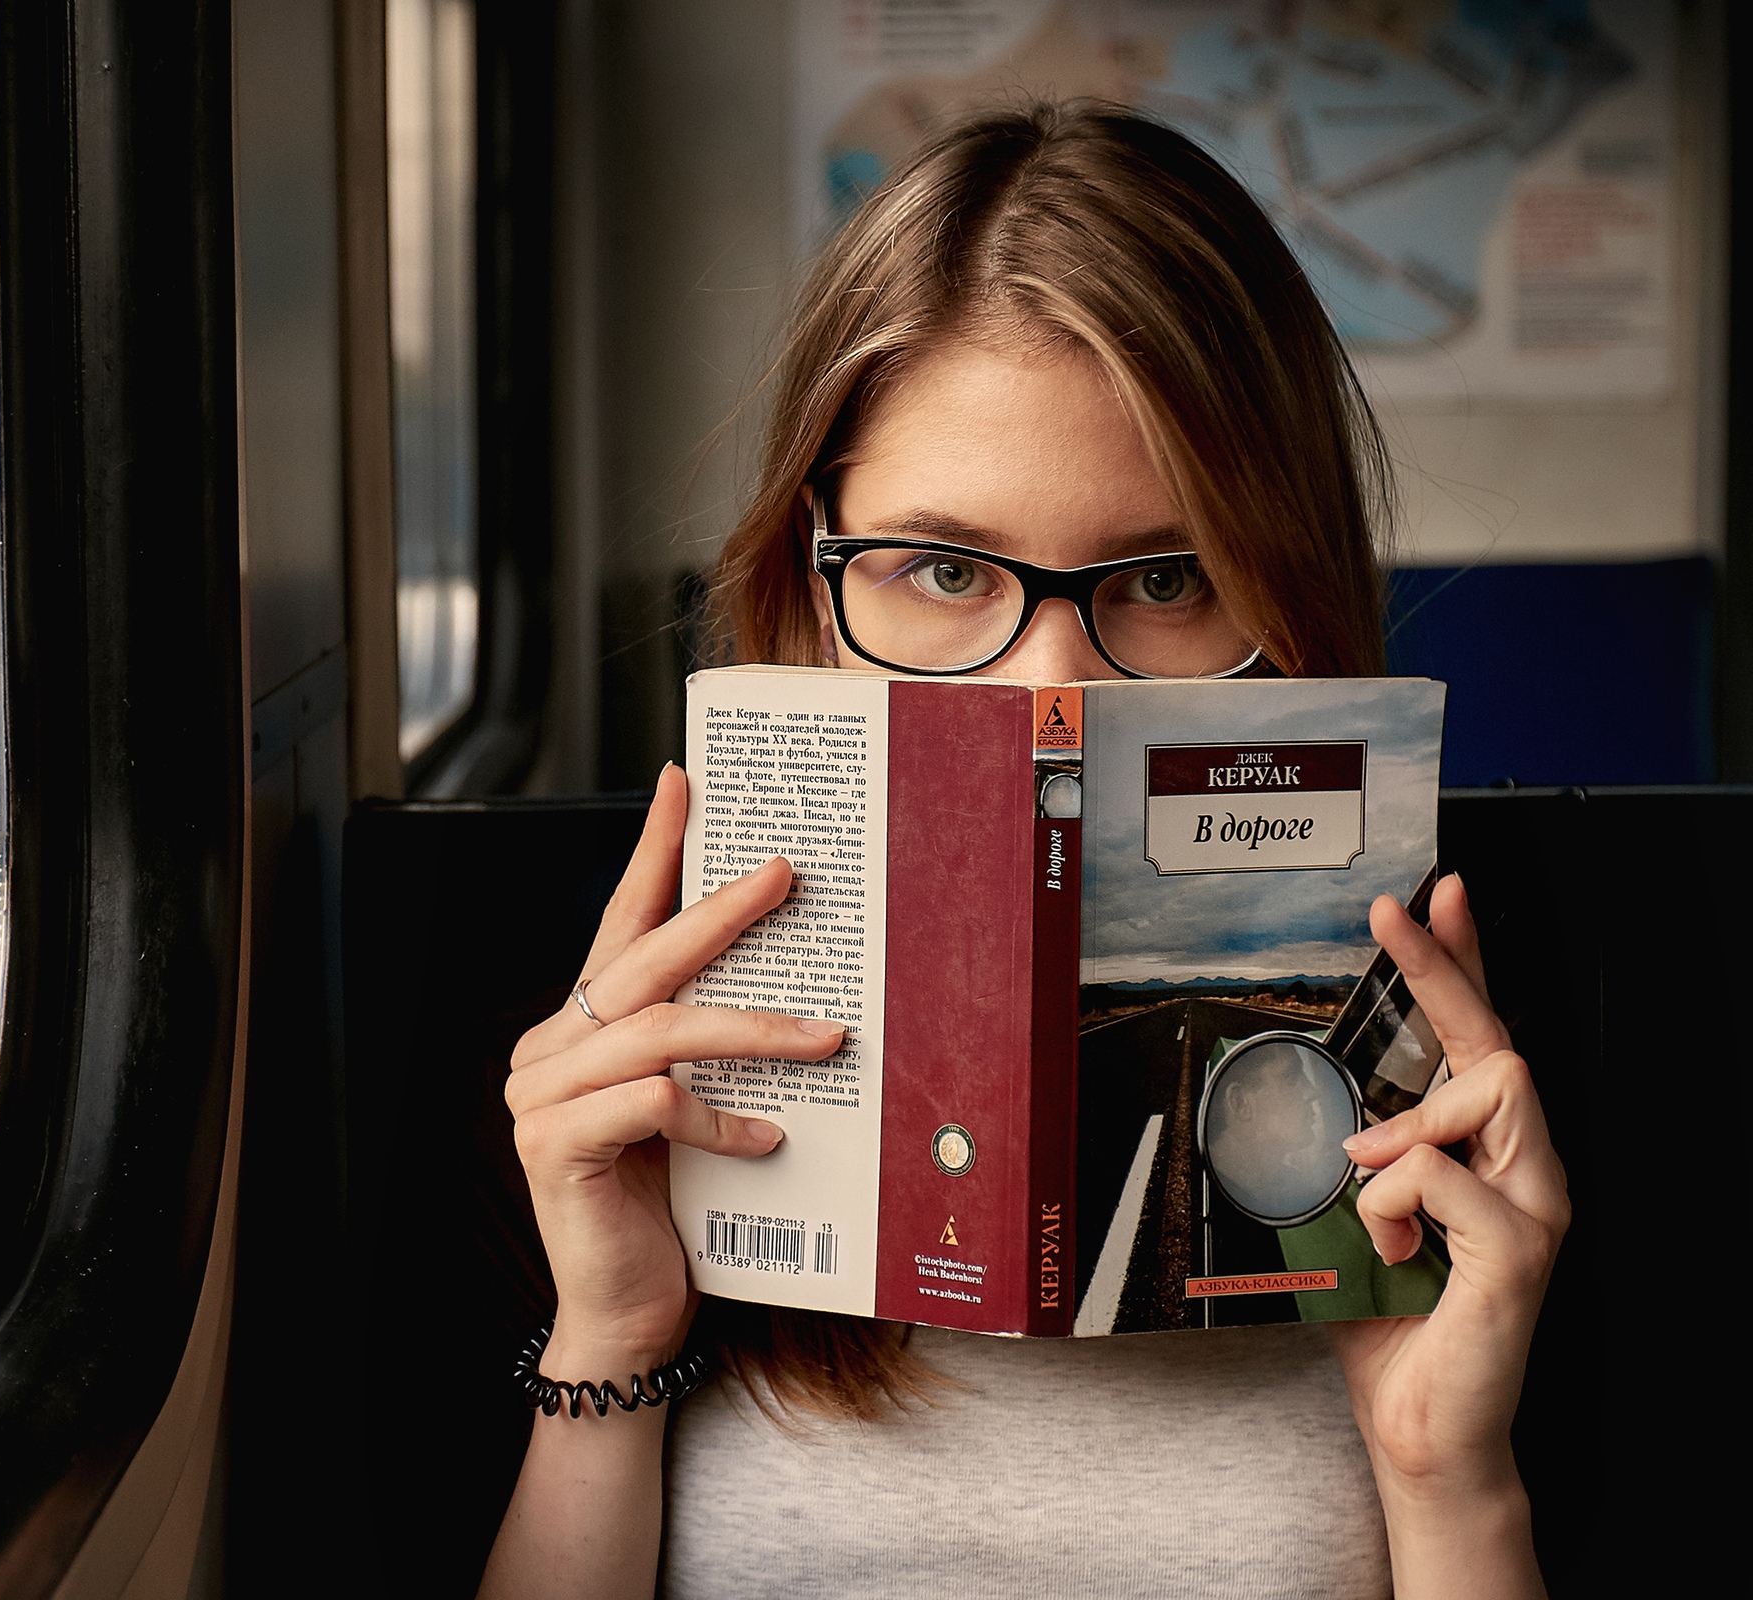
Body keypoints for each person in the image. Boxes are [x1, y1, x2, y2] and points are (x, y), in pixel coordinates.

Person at [483, 101, 1571, 1599]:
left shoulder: (1429, 1167)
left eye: (1168, 576)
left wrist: (1452, 1474)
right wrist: (608, 1337)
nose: (1050, 689)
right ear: (813, 587)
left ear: (1289, 595)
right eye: (940, 568)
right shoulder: (638, 1128)